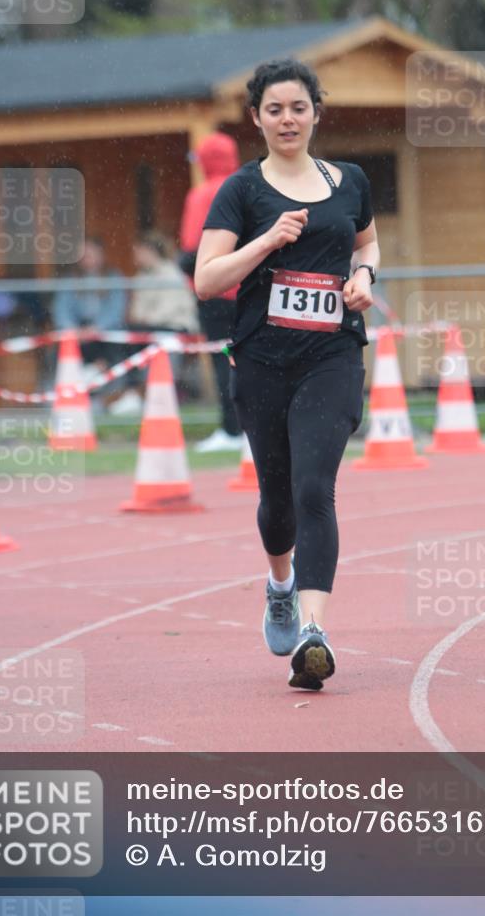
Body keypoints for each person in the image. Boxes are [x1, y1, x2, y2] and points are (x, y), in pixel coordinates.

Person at [195, 59, 380, 691]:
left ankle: (313, 632)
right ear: (256, 119)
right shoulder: (242, 192)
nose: (287, 119)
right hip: (263, 361)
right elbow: (207, 279)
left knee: (313, 489)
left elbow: (367, 244)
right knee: (277, 500)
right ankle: (280, 584)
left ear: (316, 113)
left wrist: (364, 279)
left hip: (331, 357)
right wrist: (267, 241)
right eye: (273, 109)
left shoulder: (349, 180)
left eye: (298, 107)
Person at [180, 132, 243, 453]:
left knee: (223, 361)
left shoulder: (202, 195)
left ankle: (231, 430)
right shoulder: (249, 187)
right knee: (252, 358)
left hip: (215, 292)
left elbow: (192, 252)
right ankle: (251, 426)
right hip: (249, 287)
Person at [108, 231, 200, 415]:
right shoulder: (141, 276)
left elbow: (169, 310)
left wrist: (145, 320)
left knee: (135, 335)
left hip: (174, 327)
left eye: (139, 251)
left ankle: (138, 392)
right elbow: (136, 311)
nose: (136, 256)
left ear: (150, 251)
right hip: (149, 327)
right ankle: (132, 392)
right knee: (124, 335)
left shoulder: (172, 273)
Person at [51, 237, 126, 385]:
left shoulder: (113, 277)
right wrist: (72, 329)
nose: (87, 258)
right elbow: (61, 309)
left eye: (90, 253)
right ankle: (75, 383)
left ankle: (103, 382)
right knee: (59, 351)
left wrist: (96, 328)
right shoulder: (70, 279)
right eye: (83, 255)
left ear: (101, 255)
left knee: (115, 347)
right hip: (78, 330)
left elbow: (116, 310)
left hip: (105, 330)